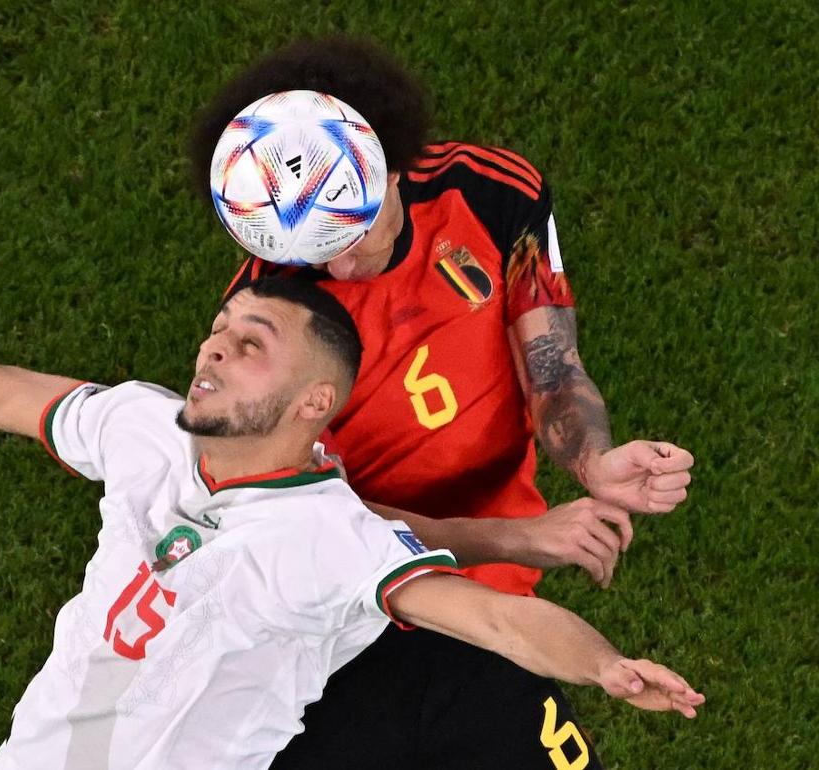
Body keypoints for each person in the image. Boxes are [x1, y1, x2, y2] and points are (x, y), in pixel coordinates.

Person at [0, 278, 702, 770]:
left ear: (315, 402)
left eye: (253, 343)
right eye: (222, 329)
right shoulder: (142, 429)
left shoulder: (329, 538)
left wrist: (604, 665)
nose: (216, 347)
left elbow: (496, 622)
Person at [188, 39, 697, 768]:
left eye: (350, 231)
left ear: (391, 165)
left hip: (493, 610)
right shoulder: (269, 321)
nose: (337, 264)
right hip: (340, 624)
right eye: (311, 250)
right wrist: (525, 537)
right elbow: (310, 527)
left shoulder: (490, 194)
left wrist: (594, 459)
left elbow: (550, 366)